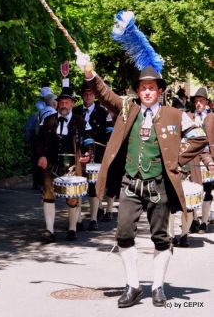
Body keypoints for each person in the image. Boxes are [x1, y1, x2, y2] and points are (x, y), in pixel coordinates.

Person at [76, 59, 208, 308]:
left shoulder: (174, 114)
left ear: (159, 91)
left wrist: (178, 159)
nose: (147, 91)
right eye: (143, 87)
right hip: (129, 183)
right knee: (123, 234)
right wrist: (90, 73)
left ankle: (158, 287)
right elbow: (104, 94)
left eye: (152, 87)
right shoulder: (128, 107)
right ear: (138, 90)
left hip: (158, 185)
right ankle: (133, 285)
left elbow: (199, 137)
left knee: (161, 238)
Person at [36, 87, 93, 242]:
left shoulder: (80, 121)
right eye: (61, 102)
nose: (64, 105)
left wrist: (87, 154)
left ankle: (72, 229)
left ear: (72, 104)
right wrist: (41, 156)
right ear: (57, 104)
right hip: (51, 164)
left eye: (67, 102)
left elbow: (88, 140)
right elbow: (39, 140)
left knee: (72, 198)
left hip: (72, 166)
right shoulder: (49, 120)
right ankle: (49, 230)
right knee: (48, 195)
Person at [74, 82, 114, 229]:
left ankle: (93, 219)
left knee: (94, 187)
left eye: (91, 93)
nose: (88, 96)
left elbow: (110, 134)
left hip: (97, 155)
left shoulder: (103, 112)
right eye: (85, 93)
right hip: (79, 155)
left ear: (95, 95)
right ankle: (77, 220)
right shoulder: (75, 111)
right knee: (78, 186)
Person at [187, 87, 214, 234]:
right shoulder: (189, 116)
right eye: (196, 101)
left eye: (201, 100)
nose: (198, 103)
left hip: (210, 157)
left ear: (206, 102)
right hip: (192, 158)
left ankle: (204, 222)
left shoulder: (212, 117)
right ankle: (194, 220)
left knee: (207, 190)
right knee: (193, 189)